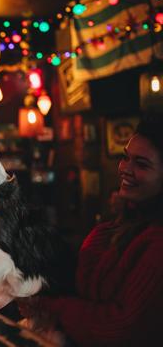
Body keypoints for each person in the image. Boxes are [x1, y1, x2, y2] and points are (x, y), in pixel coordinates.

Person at [21, 113, 163, 346]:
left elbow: (119, 328)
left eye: (141, 164)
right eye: (125, 157)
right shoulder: (124, 223)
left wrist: (49, 305)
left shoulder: (156, 242)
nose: (125, 169)